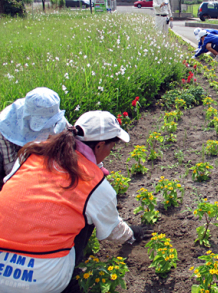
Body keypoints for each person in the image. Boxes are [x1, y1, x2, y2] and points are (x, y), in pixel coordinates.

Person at [0, 111, 145, 293]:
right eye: (112, 147)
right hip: (42, 280)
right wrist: (133, 233)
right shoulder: (94, 183)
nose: (110, 152)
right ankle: (70, 284)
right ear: (99, 145)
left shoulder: (32, 153)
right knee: (87, 214)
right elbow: (113, 230)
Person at [0, 87, 68, 189]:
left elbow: (69, 143)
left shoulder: (56, 119)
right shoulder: (6, 124)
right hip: (16, 156)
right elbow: (9, 163)